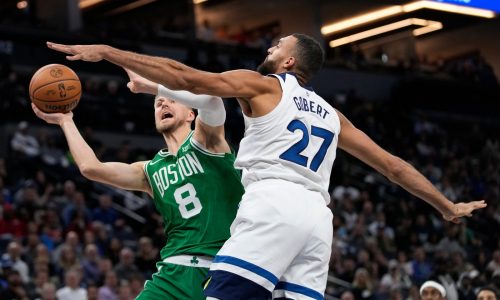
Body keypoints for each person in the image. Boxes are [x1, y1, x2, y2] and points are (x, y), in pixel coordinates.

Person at [47, 33, 487, 299]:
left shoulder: (263, 85)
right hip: (318, 221)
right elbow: (392, 166)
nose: (271, 48)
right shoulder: (331, 114)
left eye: (278, 45)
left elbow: (187, 77)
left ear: (289, 61)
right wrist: (445, 205)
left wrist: (108, 51)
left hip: (273, 202)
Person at [31, 74, 244, 299]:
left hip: (222, 270)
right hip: (172, 272)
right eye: (158, 103)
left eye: (171, 99)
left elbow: (213, 101)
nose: (163, 103)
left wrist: (152, 87)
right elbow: (90, 168)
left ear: (191, 113)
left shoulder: (207, 142)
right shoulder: (149, 170)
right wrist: (66, 121)